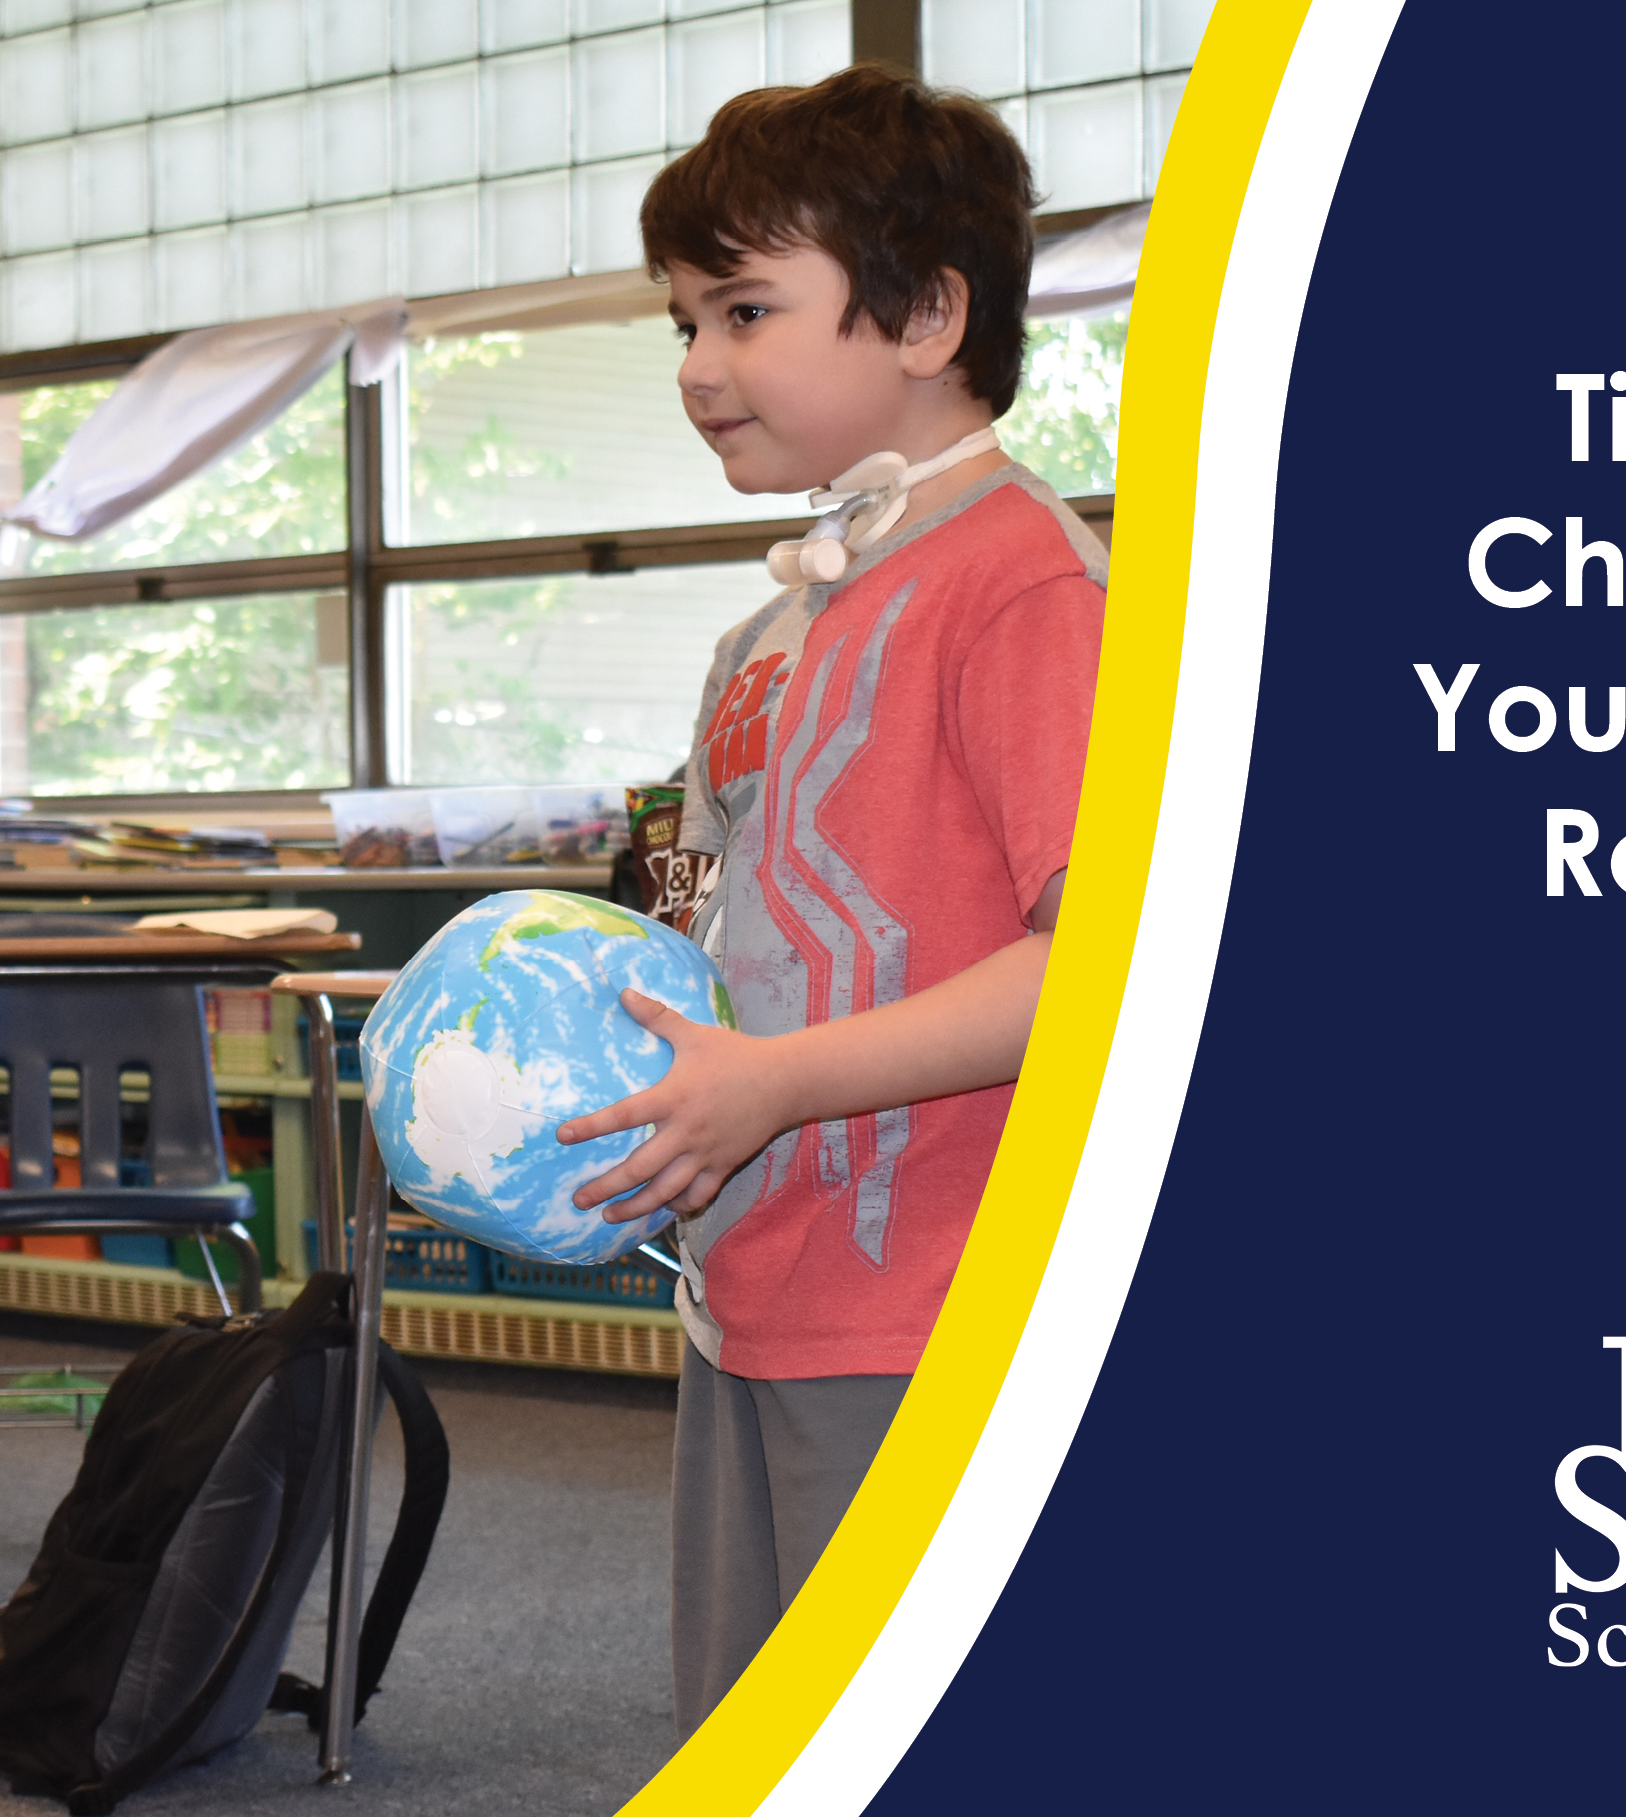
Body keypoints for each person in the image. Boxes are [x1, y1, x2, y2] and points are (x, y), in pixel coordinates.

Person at [560, 66, 1107, 1735]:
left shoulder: (1025, 582)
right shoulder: (772, 624)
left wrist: (777, 1080)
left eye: (742, 308)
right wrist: (597, 972)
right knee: (753, 1726)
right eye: (680, 319)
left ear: (928, 312)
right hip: (753, 1281)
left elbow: (1103, 962)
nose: (696, 367)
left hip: (937, 1300)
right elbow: (702, 864)